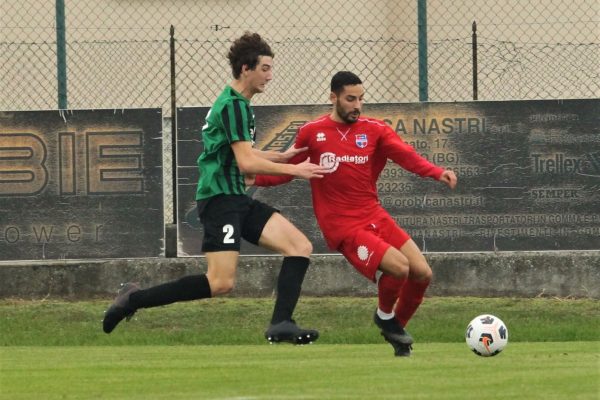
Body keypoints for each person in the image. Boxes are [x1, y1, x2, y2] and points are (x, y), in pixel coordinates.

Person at [103, 32, 329, 345]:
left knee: (299, 247)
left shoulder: (234, 103)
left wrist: (280, 156)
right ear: (246, 69)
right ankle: (134, 298)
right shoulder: (234, 106)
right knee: (220, 282)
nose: (270, 76)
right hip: (220, 200)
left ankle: (281, 323)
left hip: (235, 197)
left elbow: (231, 153)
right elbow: (246, 163)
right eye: (265, 68)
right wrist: (295, 169)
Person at [252, 71, 458, 356]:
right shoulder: (313, 133)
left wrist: (437, 172)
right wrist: (251, 178)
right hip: (343, 227)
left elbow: (406, 155)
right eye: (351, 99)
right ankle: (385, 318)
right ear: (333, 97)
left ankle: (395, 330)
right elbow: (286, 170)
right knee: (399, 268)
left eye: (361, 99)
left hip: (374, 214)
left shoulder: (374, 130)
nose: (357, 105)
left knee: (422, 273)